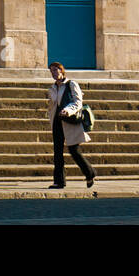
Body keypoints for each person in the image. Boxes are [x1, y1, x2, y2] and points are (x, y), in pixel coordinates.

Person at [47, 62, 96, 191]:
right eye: (51, 70)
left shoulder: (71, 84)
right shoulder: (52, 88)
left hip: (70, 121)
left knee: (74, 151)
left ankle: (90, 174)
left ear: (62, 71)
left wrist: (67, 110)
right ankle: (59, 181)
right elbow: (52, 105)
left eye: (56, 70)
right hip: (57, 122)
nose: (54, 72)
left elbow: (78, 102)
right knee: (57, 153)